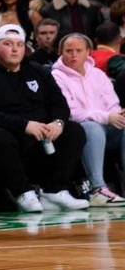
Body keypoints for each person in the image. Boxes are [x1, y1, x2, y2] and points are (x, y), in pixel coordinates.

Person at [0, 24, 89, 213]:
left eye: (19, 44)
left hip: (40, 140)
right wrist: (24, 125)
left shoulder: (37, 71)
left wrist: (57, 122)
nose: (15, 49)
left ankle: (55, 191)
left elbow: (59, 103)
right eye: (8, 44)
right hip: (4, 143)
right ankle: (23, 192)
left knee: (74, 130)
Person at [51, 33, 125, 206]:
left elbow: (112, 102)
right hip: (77, 131)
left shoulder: (98, 74)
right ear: (61, 53)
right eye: (69, 51)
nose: (73, 55)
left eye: (78, 50)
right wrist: (107, 117)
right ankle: (97, 189)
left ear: (88, 52)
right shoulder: (56, 76)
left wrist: (117, 116)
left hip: (106, 127)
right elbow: (71, 113)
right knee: (92, 127)